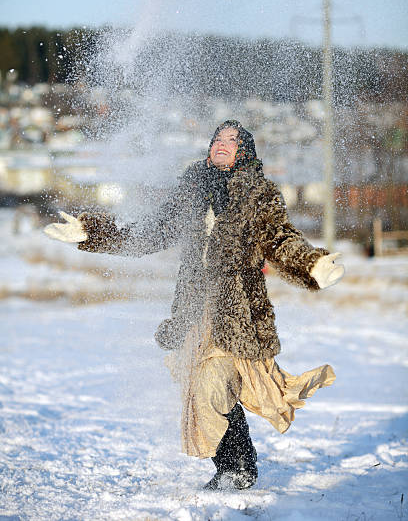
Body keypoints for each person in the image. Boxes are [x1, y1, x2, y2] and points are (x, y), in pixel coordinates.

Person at [45, 120, 344, 490]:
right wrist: (94, 232)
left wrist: (311, 264)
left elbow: (280, 240)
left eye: (231, 140)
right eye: (217, 138)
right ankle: (234, 466)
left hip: (236, 314)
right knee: (205, 393)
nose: (222, 143)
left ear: (244, 152)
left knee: (211, 385)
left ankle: (238, 469)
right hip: (193, 313)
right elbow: (150, 232)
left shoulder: (258, 195)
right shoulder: (191, 191)